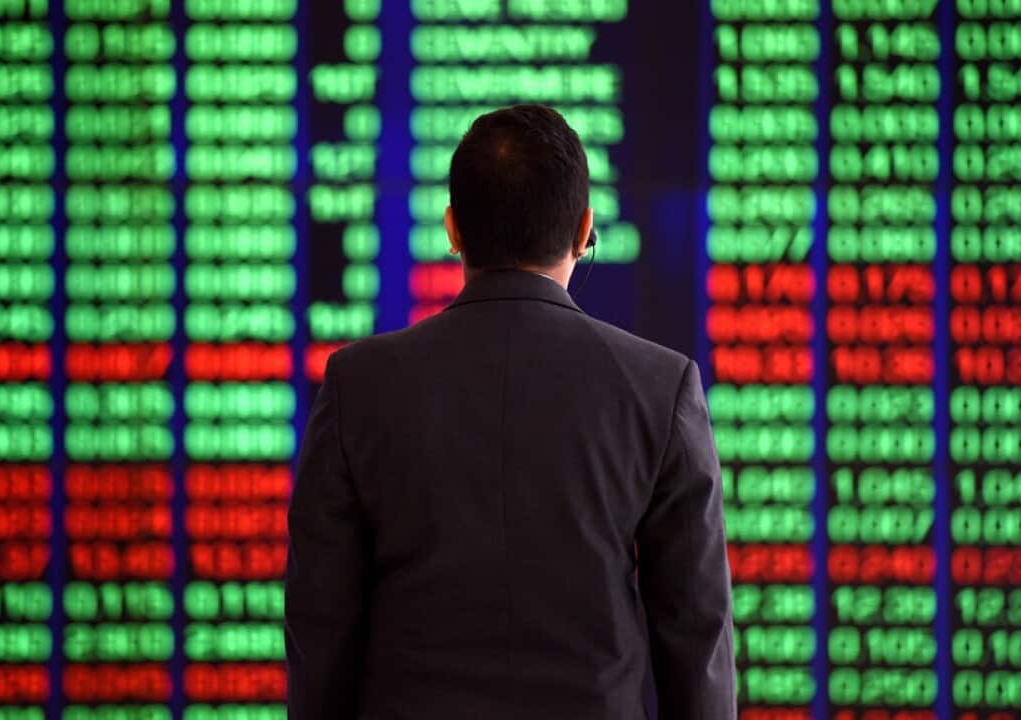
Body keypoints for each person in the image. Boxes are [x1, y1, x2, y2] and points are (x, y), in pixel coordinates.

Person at [284, 104, 735, 719]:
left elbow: (320, 633)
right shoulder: (661, 387)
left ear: (453, 230)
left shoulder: (357, 385)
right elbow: (696, 643)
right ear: (584, 230)